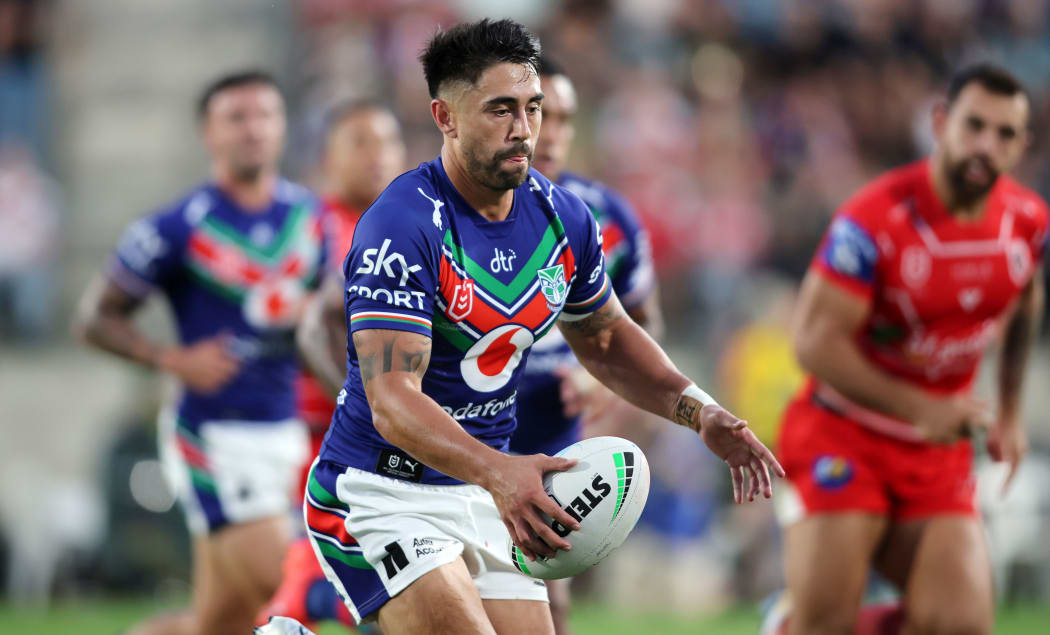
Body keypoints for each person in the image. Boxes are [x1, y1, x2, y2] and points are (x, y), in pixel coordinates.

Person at [303, 19, 782, 635]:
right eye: (500, 110)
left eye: (532, 109)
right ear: (445, 116)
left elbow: (607, 338)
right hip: (379, 494)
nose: (524, 130)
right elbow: (393, 403)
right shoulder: (402, 223)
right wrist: (501, 474)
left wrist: (699, 410)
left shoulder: (564, 218)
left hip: (483, 491)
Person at [774, 63, 1046, 635]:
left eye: (1004, 134)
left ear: (1022, 145)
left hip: (935, 452)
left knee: (962, 624)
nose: (986, 146)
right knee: (825, 624)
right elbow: (813, 342)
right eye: (974, 125)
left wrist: (1012, 412)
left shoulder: (1027, 222)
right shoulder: (874, 218)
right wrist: (920, 407)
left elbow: (1024, 305)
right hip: (843, 433)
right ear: (941, 122)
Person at [73, 70, 327, 635]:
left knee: (216, 626)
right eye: (236, 117)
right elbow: (94, 320)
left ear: (283, 127)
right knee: (299, 590)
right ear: (207, 134)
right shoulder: (176, 225)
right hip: (212, 438)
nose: (253, 129)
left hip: (284, 432)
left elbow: (324, 324)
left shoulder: (310, 218)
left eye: (265, 115)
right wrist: (170, 360)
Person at [508, 55, 662, 635]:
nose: (552, 134)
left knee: (551, 612)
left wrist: (601, 376)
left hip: (553, 443)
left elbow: (645, 325)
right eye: (539, 113)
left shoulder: (605, 219)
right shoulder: (446, 211)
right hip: (459, 444)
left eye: (563, 117)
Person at [257, 100, 406, 631]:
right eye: (359, 142)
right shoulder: (313, 226)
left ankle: (296, 607)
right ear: (328, 158)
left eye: (386, 141)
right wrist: (360, 397)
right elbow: (298, 325)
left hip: (391, 432)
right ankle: (301, 605)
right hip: (323, 430)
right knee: (353, 564)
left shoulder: (408, 223)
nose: (377, 155)